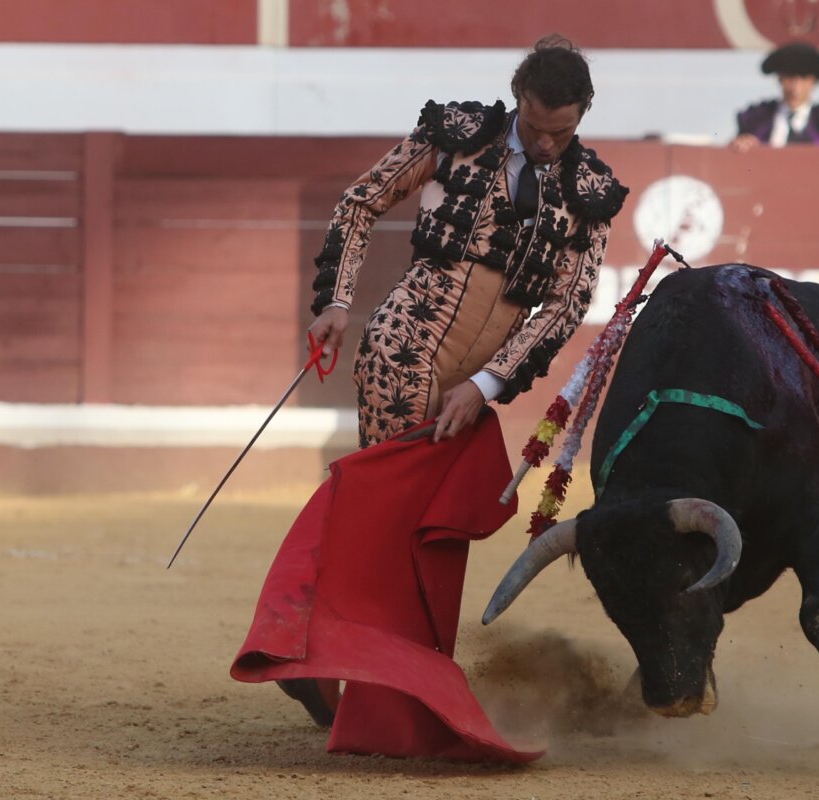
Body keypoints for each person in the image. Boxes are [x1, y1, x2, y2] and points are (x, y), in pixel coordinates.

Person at [277, 33, 627, 727]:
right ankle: (365, 675)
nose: (546, 144)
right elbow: (361, 202)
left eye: (561, 132)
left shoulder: (589, 193)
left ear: (583, 114)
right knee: (393, 516)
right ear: (517, 98)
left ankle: (345, 662)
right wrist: (338, 301)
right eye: (535, 126)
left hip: (470, 385)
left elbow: (566, 305)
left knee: (422, 528)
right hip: (402, 349)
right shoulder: (458, 136)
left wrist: (489, 384)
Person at [733, 41, 819, 152]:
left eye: (804, 79)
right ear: (780, 78)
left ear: (815, 81)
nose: (795, 88)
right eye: (789, 77)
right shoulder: (755, 120)